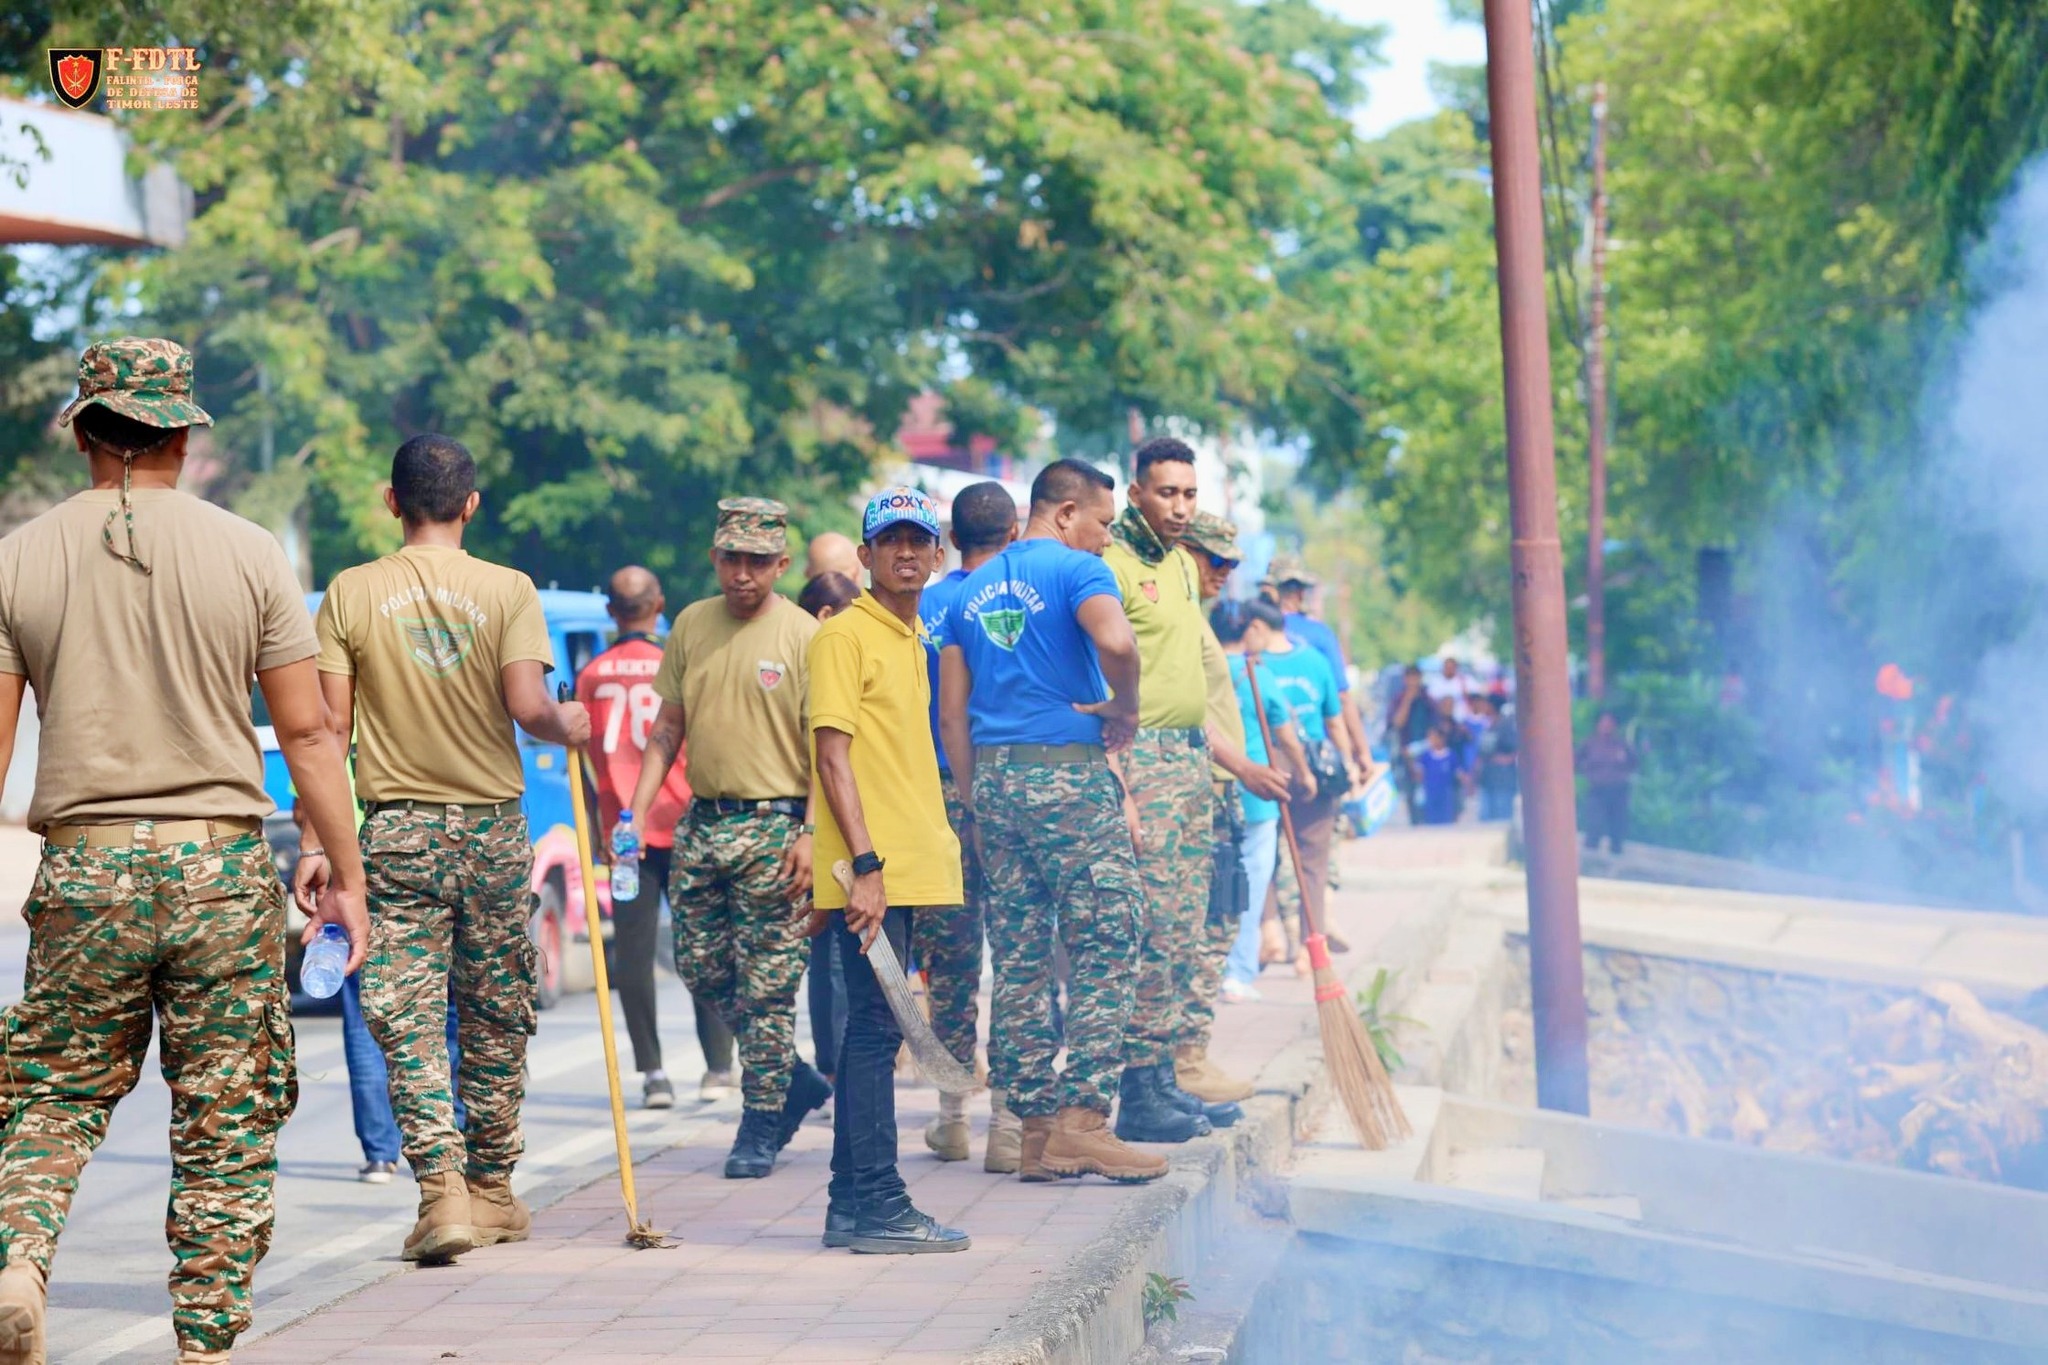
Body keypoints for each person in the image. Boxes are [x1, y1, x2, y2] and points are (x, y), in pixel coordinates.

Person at [0, 338, 367, 1365]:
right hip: (218, 869)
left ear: (84, 431)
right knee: (224, 1109)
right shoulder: (249, 552)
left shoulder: (17, 559)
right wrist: (347, 878)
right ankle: (205, 1342)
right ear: (180, 436)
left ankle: (18, 1262)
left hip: (86, 868)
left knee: (52, 1091)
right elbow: (308, 737)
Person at [311, 434, 588, 1266]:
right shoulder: (509, 588)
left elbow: (328, 731)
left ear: (391, 501)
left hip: (395, 829)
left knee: (407, 1014)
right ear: (472, 505)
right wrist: (566, 722)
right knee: (496, 1010)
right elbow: (528, 706)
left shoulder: (351, 591)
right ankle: (492, 1187)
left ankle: (442, 1192)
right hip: (493, 829)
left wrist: (322, 841)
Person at [938, 458, 1167, 1185]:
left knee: (1020, 958)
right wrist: (1125, 706)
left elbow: (951, 715)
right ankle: (1084, 1120)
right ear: (1065, 513)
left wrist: (975, 801)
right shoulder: (1078, 571)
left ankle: (1033, 1131)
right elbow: (1119, 644)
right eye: (1103, 522)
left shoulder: (968, 591)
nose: (1107, 538)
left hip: (996, 780)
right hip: (1067, 776)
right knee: (1109, 935)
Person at [626, 498, 827, 1180]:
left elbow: (825, 750)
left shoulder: (804, 635)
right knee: (701, 967)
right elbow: (667, 729)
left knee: (768, 987)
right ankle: (790, 1075)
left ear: (782, 564)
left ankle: (761, 1121)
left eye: (758, 562)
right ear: (715, 558)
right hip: (704, 825)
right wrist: (635, 814)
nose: (743, 573)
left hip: (777, 826)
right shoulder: (690, 623)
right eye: (731, 559)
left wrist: (811, 833)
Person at [1103, 438, 1289, 1144]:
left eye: (1189, 494)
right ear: (1136, 494)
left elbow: (1190, 684)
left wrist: (1234, 765)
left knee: (1184, 927)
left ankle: (1165, 1076)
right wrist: (1118, 774)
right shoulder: (1111, 565)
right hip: (1141, 756)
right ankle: (1137, 1088)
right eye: (1166, 493)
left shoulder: (1181, 567)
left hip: (1187, 757)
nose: (1180, 507)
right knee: (1150, 926)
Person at [809, 486, 971, 1252]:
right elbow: (831, 756)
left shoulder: (914, 637)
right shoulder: (844, 636)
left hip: (904, 863)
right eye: (890, 540)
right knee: (877, 1033)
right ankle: (880, 1202)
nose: (906, 552)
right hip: (870, 868)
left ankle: (850, 1202)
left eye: (918, 540)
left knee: (868, 1032)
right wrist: (866, 865)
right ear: (865, 554)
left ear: (937, 554)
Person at [577, 566, 738, 1108]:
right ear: (660, 605)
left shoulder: (591, 676)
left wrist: (599, 826)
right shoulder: (678, 664)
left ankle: (653, 1074)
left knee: (633, 955)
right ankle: (718, 1067)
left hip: (624, 838)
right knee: (703, 946)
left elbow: (585, 764)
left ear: (610, 612)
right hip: (687, 827)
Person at [915, 481, 1017, 1167]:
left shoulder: (925, 604)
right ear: (1014, 534)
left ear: (950, 541)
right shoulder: (1021, 599)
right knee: (1016, 952)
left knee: (950, 959)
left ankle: (952, 1115)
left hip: (936, 790)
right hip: (1009, 782)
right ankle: (1008, 1123)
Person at [1177, 512, 1257, 1107]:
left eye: (1231, 563)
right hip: (1200, 785)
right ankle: (1184, 1056)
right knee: (1201, 926)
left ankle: (1191, 1051)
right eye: (1215, 559)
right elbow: (1188, 713)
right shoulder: (1179, 617)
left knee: (1221, 916)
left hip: (1222, 787)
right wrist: (1245, 766)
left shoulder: (1198, 617)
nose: (1224, 572)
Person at [1252, 600, 1361, 962]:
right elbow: (1334, 721)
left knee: (1263, 851)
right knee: (1313, 862)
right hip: (1312, 767)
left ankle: (1271, 930)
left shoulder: (1252, 665)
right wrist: (1347, 762)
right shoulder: (1315, 661)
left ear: (1258, 627)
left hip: (1265, 765)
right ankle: (1307, 949)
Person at [1210, 602, 1308, 1004]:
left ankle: (1211, 969)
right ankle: (1237, 972)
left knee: (1212, 884)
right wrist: (1304, 773)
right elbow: (1285, 734)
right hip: (1258, 794)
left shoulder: (1204, 670)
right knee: (1248, 885)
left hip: (1212, 789)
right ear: (1248, 631)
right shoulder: (1257, 674)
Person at [795, 572, 860, 1093]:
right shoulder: (819, 662)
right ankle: (834, 1068)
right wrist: (812, 829)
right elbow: (825, 761)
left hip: (826, 819)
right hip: (813, 823)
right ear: (825, 616)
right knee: (832, 955)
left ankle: (834, 1067)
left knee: (832, 956)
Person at [1265, 553, 1374, 773]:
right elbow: (1342, 698)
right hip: (1316, 756)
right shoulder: (1320, 634)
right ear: (1301, 592)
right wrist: (1362, 753)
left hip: (1267, 759)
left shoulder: (1254, 633)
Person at [1578, 710, 1638, 853]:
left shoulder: (1622, 745)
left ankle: (1616, 851)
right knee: (1594, 823)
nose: (1606, 726)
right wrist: (1587, 772)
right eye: (1603, 723)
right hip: (1597, 789)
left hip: (1618, 790)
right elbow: (1576, 760)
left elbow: (1635, 762)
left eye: (1609, 723)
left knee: (1617, 825)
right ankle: (1591, 852)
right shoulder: (1590, 743)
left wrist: (1624, 773)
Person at [1387, 664, 1438, 824]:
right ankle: (1415, 820)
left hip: (1426, 750)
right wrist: (1408, 700)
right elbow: (1397, 723)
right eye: (1410, 678)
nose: (1413, 682)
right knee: (1410, 789)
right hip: (1405, 750)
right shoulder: (1398, 699)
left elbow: (1435, 726)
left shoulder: (1427, 700)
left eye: (1415, 678)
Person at [1417, 724, 1462, 825]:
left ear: (1442, 738)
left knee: (1446, 821)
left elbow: (1458, 774)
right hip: (1430, 794)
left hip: (1446, 795)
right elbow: (1420, 774)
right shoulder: (1426, 756)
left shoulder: (1451, 755)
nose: (1431, 741)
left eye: (1433, 737)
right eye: (1429, 738)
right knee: (1431, 821)